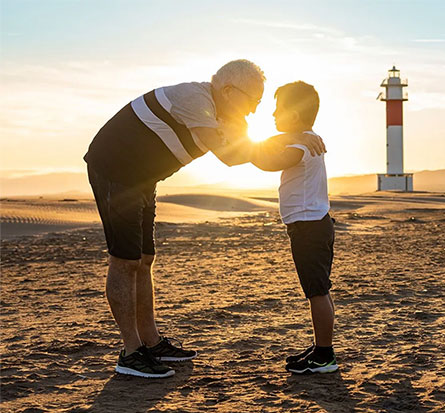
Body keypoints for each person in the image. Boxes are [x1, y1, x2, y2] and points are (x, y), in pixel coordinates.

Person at [83, 60, 326, 379]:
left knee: (144, 260)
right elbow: (230, 155)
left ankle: (151, 342)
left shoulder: (231, 116)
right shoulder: (196, 100)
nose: (253, 112)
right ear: (228, 91)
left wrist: (290, 138)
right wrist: (288, 139)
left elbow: (249, 152)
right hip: (115, 169)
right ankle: (131, 352)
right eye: (253, 102)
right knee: (125, 261)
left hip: (143, 179)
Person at [249, 81, 337, 374]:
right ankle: (320, 348)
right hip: (312, 225)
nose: (273, 115)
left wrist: (245, 146)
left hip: (310, 227)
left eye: (278, 110)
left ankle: (325, 355)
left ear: (295, 116)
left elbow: (267, 162)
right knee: (318, 289)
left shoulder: (301, 145)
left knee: (317, 291)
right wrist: (291, 133)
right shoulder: (305, 138)